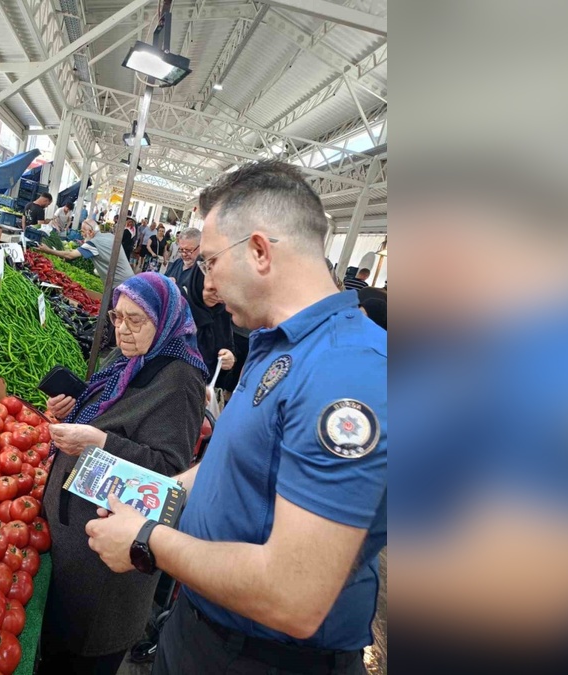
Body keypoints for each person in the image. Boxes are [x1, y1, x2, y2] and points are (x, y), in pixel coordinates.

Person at [83, 160, 386, 675]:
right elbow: (240, 459)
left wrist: (146, 540)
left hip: (262, 658)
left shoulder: (346, 373)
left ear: (259, 251)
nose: (207, 280)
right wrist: (157, 491)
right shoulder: (279, 344)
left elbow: (293, 595)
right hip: (202, 626)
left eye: (210, 261)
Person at [40, 272, 208, 675]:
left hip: (105, 570)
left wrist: (99, 441)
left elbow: (169, 474)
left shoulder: (181, 381)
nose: (122, 329)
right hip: (75, 545)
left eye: (136, 320)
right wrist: (75, 408)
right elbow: (112, 412)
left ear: (165, 319)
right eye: (117, 317)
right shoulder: (129, 357)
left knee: (83, 657)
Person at [39, 218, 135, 286]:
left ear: (91, 232)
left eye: (83, 232)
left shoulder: (94, 243)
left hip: (118, 283)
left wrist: (48, 250)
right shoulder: (110, 236)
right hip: (129, 278)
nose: (82, 235)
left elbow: (70, 255)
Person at [162, 227, 202, 298]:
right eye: (181, 250)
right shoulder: (178, 262)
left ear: (201, 247)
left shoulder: (204, 272)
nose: (183, 254)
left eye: (188, 250)